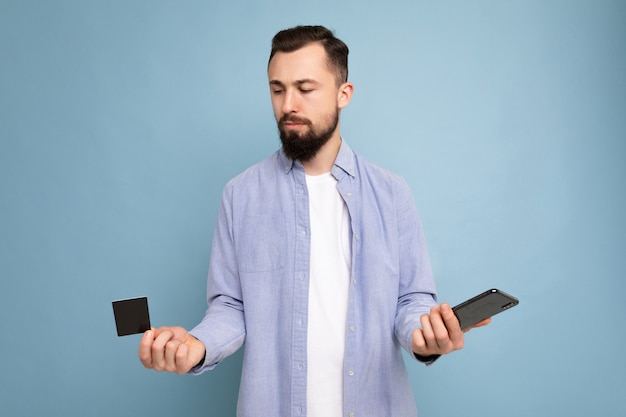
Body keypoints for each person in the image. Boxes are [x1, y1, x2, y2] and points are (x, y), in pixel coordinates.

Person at [138, 25, 489, 417]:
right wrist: (197, 346)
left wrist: (426, 337)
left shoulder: (392, 194)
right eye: (277, 89)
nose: (288, 104)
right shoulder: (240, 195)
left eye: (305, 89)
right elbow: (232, 306)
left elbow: (410, 301)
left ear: (344, 94)